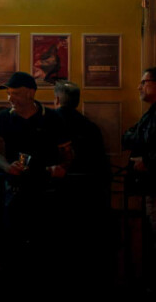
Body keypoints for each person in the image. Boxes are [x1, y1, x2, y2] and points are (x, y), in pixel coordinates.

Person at [0, 72, 72, 296]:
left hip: (46, 191)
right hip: (14, 191)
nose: (10, 98)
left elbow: (67, 153)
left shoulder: (52, 118)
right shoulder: (3, 118)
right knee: (13, 246)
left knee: (44, 246)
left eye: (15, 93)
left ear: (30, 93)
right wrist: (7, 167)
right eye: (9, 93)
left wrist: (62, 167)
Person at [53, 80, 111, 297]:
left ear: (56, 99)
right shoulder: (90, 126)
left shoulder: (50, 123)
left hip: (58, 195)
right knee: (84, 251)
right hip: (89, 196)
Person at [123, 67, 156, 291]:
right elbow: (127, 137)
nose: (139, 87)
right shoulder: (150, 114)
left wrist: (149, 162)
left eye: (144, 82)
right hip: (149, 187)